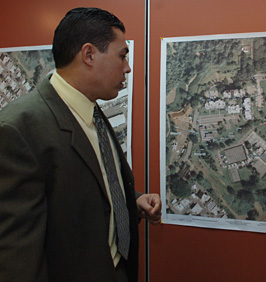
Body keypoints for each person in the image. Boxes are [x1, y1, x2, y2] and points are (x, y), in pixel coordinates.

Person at [0, 7, 161, 282]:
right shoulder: (19, 129)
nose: (128, 67)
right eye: (122, 56)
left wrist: (132, 202)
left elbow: (84, 191)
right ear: (88, 55)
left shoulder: (93, 112)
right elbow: (18, 257)